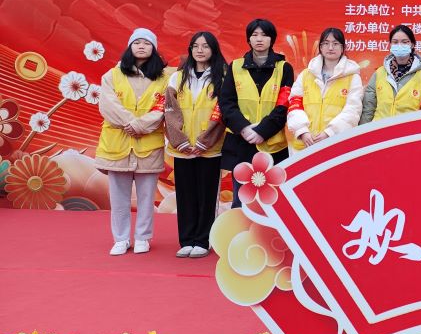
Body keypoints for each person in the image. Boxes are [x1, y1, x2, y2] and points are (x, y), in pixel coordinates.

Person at [95, 28, 168, 256]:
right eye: (137, 42)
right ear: (129, 47)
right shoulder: (112, 75)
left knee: (146, 198)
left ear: (154, 48)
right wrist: (131, 123)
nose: (141, 46)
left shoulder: (164, 78)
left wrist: (140, 125)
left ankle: (143, 237)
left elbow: (164, 108)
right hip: (117, 145)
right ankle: (121, 239)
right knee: (119, 198)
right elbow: (107, 105)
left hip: (149, 145)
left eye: (146, 43)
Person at [218, 19, 293, 209]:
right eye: (254, 35)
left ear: (272, 39)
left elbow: (284, 105)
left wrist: (262, 131)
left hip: (273, 144)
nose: (259, 39)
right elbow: (226, 102)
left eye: (264, 35)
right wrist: (244, 128)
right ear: (248, 39)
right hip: (241, 142)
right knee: (241, 200)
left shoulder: (284, 68)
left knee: (273, 202)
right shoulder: (235, 66)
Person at [164, 31, 226, 259]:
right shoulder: (177, 78)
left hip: (209, 149)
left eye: (205, 46)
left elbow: (222, 112)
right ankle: (187, 240)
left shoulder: (223, 77)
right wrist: (180, 140)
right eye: (196, 46)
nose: (200, 50)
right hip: (182, 149)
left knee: (207, 195)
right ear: (190, 50)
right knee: (185, 195)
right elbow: (170, 110)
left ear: (213, 50)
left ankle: (203, 240)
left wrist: (204, 141)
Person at [286, 27, 363, 151]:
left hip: (335, 144)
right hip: (305, 144)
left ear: (343, 48)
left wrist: (330, 132)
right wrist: (302, 131)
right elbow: (294, 104)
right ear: (320, 48)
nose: (330, 48)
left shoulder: (353, 77)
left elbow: (353, 110)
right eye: (326, 43)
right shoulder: (306, 75)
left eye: (335, 44)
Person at [360, 24, 421, 122]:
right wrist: (364, 129)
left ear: (412, 44)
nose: (399, 45)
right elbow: (368, 108)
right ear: (390, 45)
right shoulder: (379, 73)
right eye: (395, 42)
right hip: (380, 129)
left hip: (409, 130)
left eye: (404, 42)